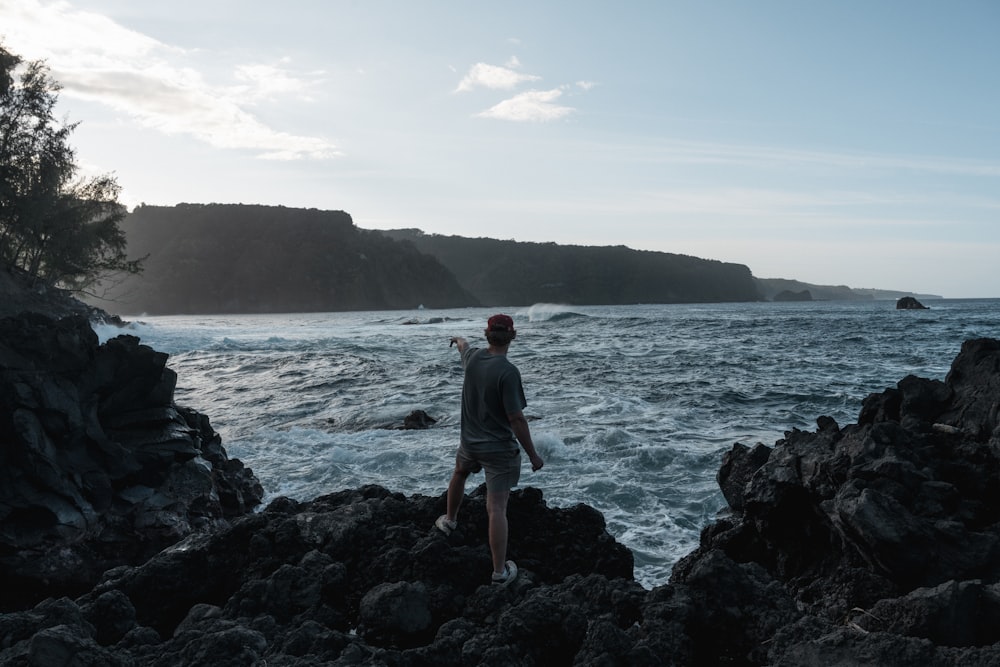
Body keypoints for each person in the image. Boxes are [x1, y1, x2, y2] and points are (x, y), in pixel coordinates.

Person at [435, 313, 544, 586]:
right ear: (512, 335)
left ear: (487, 334)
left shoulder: (472, 358)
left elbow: (463, 345)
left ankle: (449, 520)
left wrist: (457, 339)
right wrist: (533, 454)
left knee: (459, 473)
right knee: (496, 507)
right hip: (498, 451)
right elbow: (516, 419)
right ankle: (499, 573)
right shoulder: (507, 372)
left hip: (469, 443)